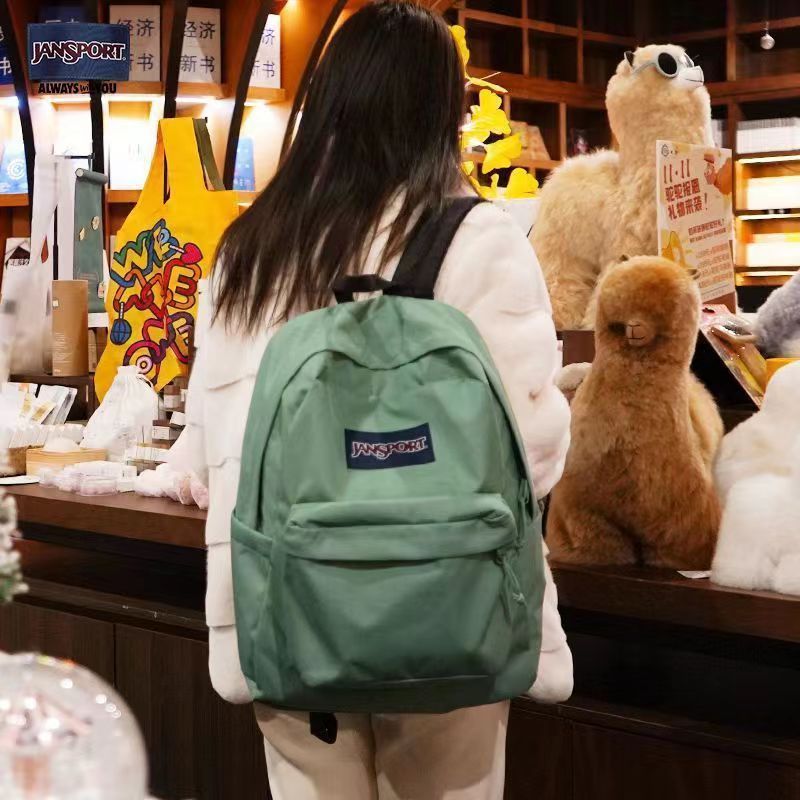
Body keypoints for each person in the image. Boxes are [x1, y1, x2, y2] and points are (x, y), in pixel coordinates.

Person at [177, 2, 572, 797]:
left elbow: (212, 445)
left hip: (286, 608)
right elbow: (531, 454)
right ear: (442, 111)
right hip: (447, 605)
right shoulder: (478, 238)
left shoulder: (249, 248)